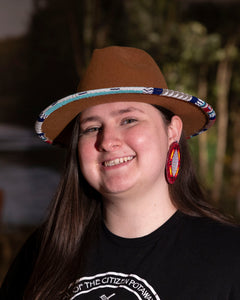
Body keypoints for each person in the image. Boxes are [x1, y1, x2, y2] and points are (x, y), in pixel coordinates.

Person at [1, 46, 240, 300]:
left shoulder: (230, 255)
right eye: (92, 128)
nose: (107, 141)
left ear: (172, 131)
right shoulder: (40, 253)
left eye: (128, 120)